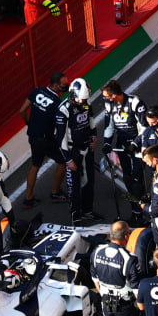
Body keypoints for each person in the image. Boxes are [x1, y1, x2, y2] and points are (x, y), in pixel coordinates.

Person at [99, 80, 148, 222]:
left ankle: (145, 211)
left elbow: (144, 127)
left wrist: (135, 143)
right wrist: (107, 142)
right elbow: (109, 125)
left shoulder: (135, 102)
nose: (105, 99)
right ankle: (136, 212)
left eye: (106, 96)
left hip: (137, 144)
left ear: (114, 95)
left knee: (138, 180)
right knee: (127, 178)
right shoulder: (109, 104)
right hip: (121, 144)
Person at [55, 78, 102, 223]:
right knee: (73, 186)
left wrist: (94, 136)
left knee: (89, 182)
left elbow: (91, 121)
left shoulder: (86, 104)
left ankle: (87, 211)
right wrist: (68, 159)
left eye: (85, 99)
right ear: (72, 95)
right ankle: (75, 216)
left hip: (87, 147)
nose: (83, 102)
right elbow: (60, 138)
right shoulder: (63, 110)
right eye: (81, 99)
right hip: (73, 150)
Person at [20, 72, 68, 207]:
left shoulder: (36, 91)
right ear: (55, 85)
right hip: (46, 138)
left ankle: (28, 198)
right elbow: (59, 124)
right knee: (63, 161)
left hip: (33, 135)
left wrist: (29, 123)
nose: (66, 87)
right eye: (63, 85)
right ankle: (55, 192)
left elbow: (22, 110)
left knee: (35, 165)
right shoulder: (57, 102)